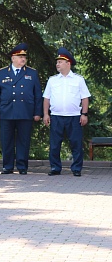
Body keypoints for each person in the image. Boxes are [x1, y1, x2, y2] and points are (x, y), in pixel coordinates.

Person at [0, 43, 42, 175]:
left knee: (23, 141)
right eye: (20, 56)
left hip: (25, 111)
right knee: (6, 140)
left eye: (24, 56)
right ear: (13, 58)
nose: (23, 59)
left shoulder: (32, 73)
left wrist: (38, 112)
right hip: (6, 112)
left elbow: (38, 94)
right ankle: (7, 166)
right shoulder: (2, 73)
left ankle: (22, 166)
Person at [43, 47, 91, 177]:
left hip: (74, 117)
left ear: (68, 63)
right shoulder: (52, 80)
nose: (57, 64)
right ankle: (55, 168)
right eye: (57, 62)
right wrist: (46, 114)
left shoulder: (78, 79)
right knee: (54, 145)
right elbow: (46, 98)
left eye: (60, 62)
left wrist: (84, 114)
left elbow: (85, 98)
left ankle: (76, 168)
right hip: (56, 117)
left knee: (76, 143)